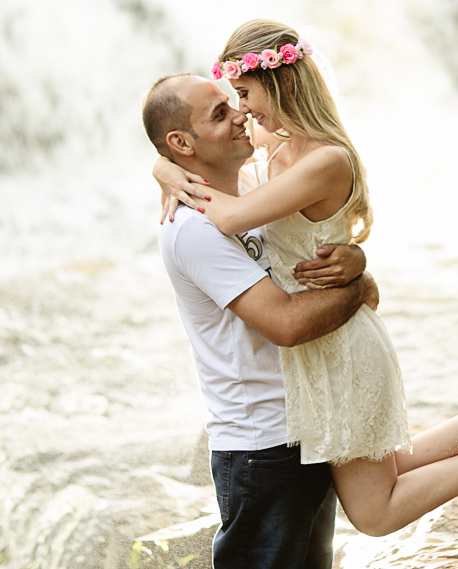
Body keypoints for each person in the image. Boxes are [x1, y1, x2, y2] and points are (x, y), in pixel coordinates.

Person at [150, 20, 458, 546]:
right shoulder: (271, 149)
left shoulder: (321, 158)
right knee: (387, 464)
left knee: (374, 511)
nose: (241, 113)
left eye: (241, 95)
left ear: (279, 84)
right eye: (229, 103)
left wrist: (171, 170)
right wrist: (164, 166)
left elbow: (234, 217)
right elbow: (218, 175)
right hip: (321, 354)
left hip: (336, 347)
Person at [143, 72, 377, 569]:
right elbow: (287, 324)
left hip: (303, 423)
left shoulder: (250, 185)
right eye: (220, 113)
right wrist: (360, 288)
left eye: (235, 102)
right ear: (182, 142)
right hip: (260, 448)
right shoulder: (192, 230)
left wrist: (355, 261)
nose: (240, 114)